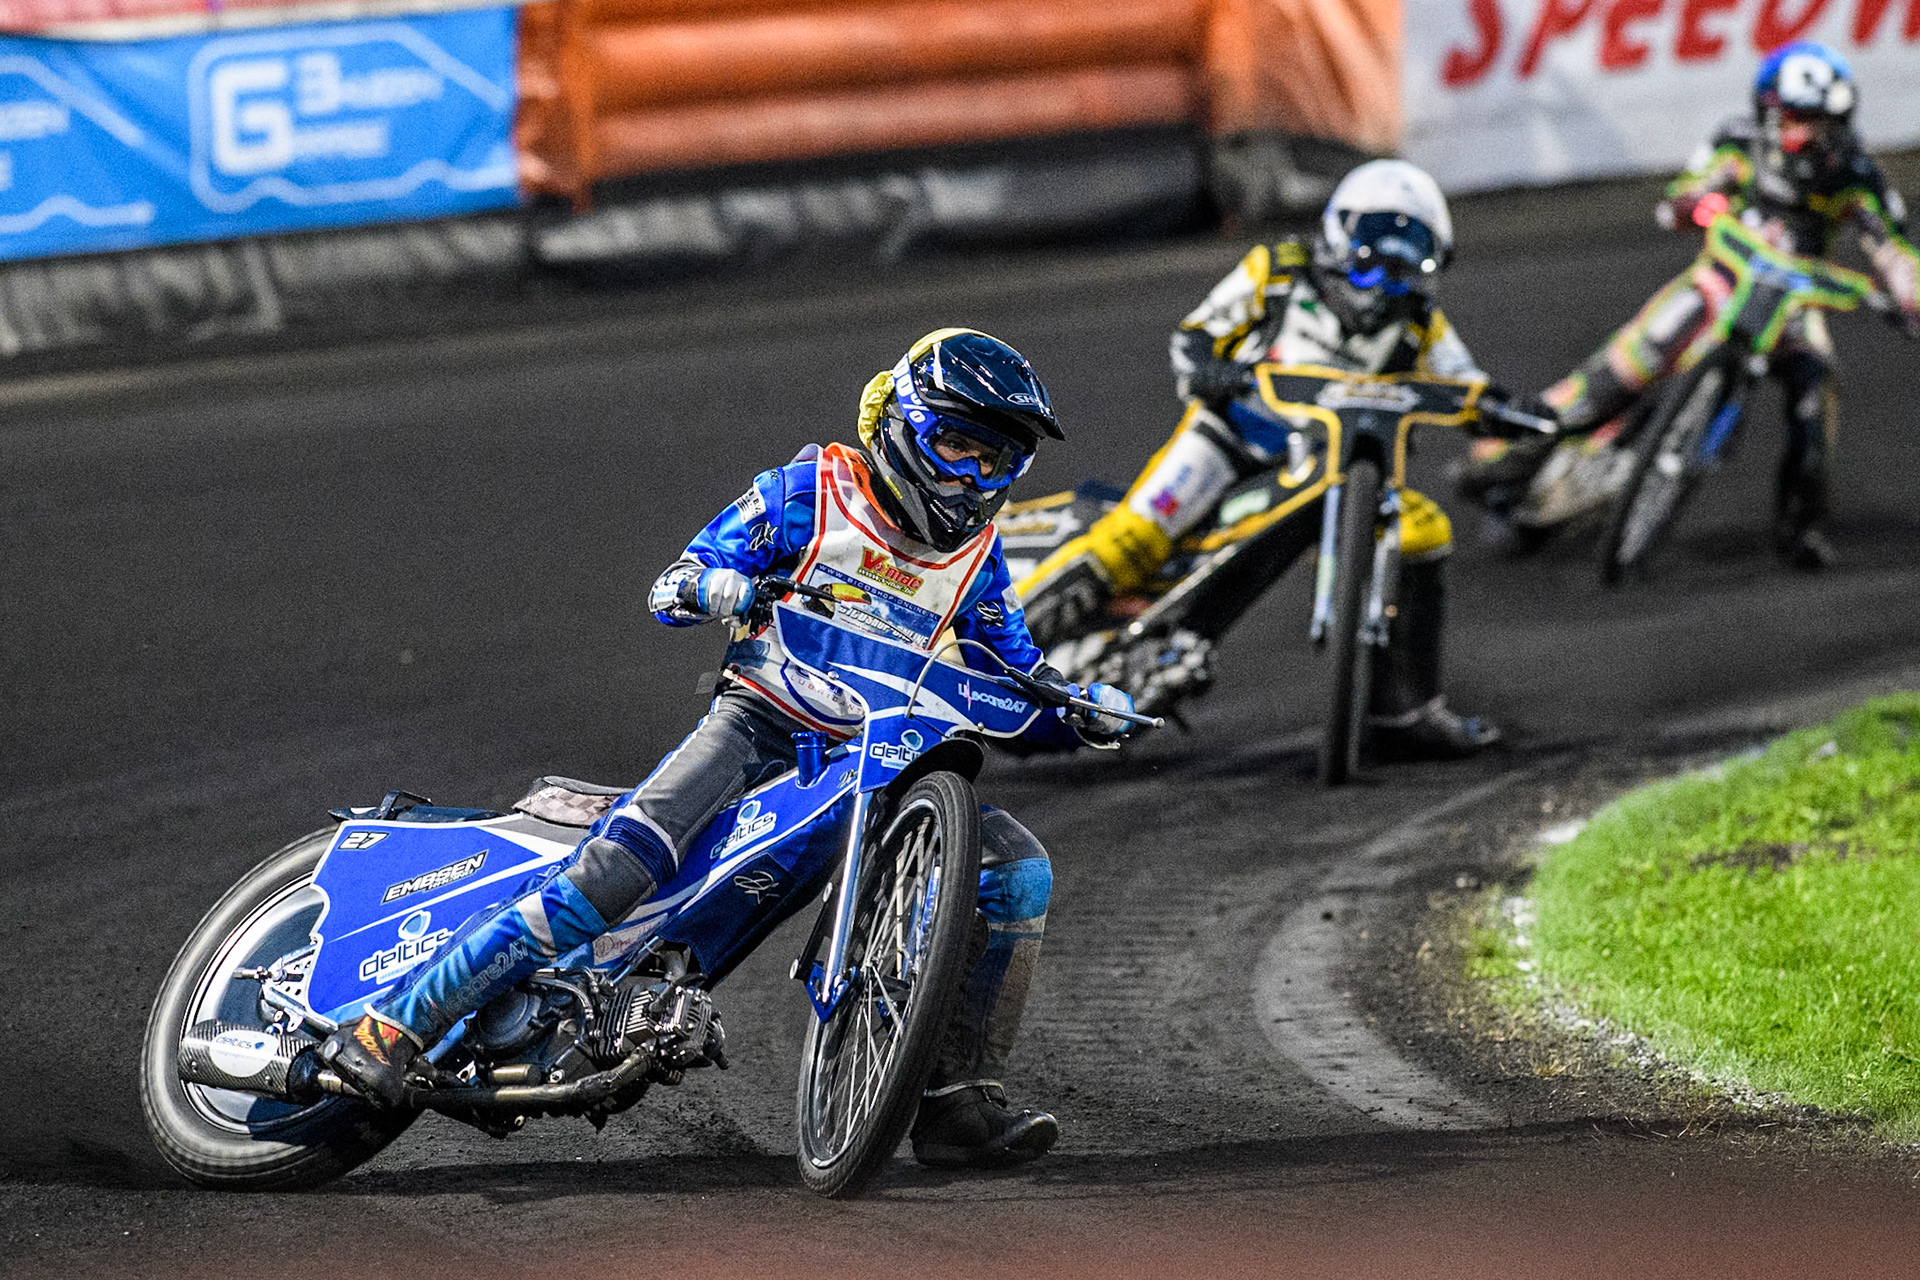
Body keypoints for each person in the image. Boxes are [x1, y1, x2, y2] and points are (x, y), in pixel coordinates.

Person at [318, 329, 1139, 1169]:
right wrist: (721, 585)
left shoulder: (978, 559)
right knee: (617, 866)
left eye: (995, 460)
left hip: (880, 758)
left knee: (1017, 871)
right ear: (901, 422)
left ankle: (954, 1100)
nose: (971, 476)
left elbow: (1018, 674)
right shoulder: (806, 492)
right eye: (956, 443)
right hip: (758, 725)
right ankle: (395, 1023)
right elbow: (672, 585)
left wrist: (1087, 704)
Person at [1016, 159, 1501, 758]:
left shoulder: (1421, 325)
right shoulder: (1278, 272)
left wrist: (1504, 413)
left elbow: (1468, 384)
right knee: (1135, 537)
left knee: (1423, 531)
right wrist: (1211, 371)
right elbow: (1196, 334)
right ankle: (989, 645)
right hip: (1228, 439)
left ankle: (1406, 713)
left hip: (1329, 465)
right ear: (1338, 235)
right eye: (1373, 256)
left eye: (1406, 266)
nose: (1384, 283)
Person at [1459, 41, 1920, 570]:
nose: (1813, 134)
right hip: (1715, 284)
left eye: (1825, 121)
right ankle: (1507, 451)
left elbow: (1893, 248)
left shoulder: (1858, 175)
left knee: (1816, 396)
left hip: (1793, 309)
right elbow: (1687, 189)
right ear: (1770, 113)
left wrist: (1907, 296)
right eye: (1800, 119)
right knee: (1613, 376)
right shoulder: (1738, 142)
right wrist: (1692, 203)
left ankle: (1801, 528)